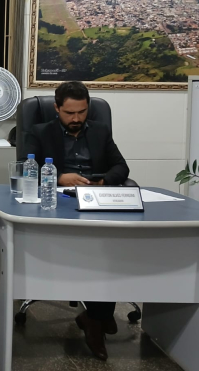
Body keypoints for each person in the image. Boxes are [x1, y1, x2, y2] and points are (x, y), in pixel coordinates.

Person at [21, 80, 129, 361]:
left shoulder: (100, 131)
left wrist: (103, 181)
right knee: (94, 250)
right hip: (57, 201)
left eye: (82, 112)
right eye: (70, 113)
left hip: (96, 199)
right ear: (57, 109)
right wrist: (58, 177)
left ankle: (95, 316)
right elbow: (25, 169)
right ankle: (97, 318)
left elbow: (121, 167)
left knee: (111, 248)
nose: (77, 118)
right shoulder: (40, 132)